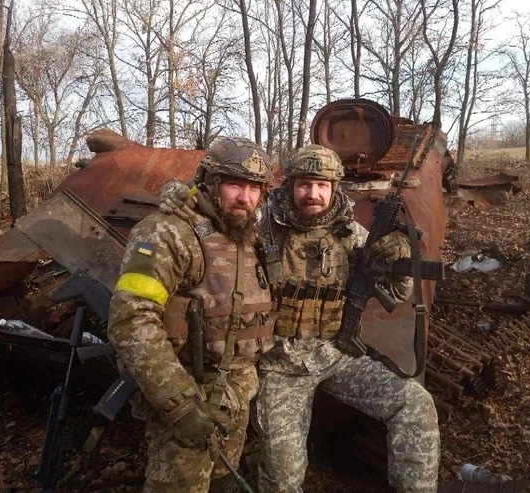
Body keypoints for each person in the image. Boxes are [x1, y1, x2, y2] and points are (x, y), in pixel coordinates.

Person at [256, 144, 439, 493]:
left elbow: (397, 293)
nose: (313, 194)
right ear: (290, 186)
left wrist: (399, 257)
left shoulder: (350, 234)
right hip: (280, 366)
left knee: (415, 403)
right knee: (282, 480)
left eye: (322, 185)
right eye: (304, 184)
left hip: (336, 355)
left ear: (334, 188)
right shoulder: (261, 227)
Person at [108, 137, 276, 493]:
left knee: (222, 483)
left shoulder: (245, 232)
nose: (245, 198)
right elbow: (132, 319)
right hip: (189, 393)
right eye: (235, 185)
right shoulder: (168, 232)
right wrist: (180, 404)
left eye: (254, 188)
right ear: (209, 182)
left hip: (236, 393)